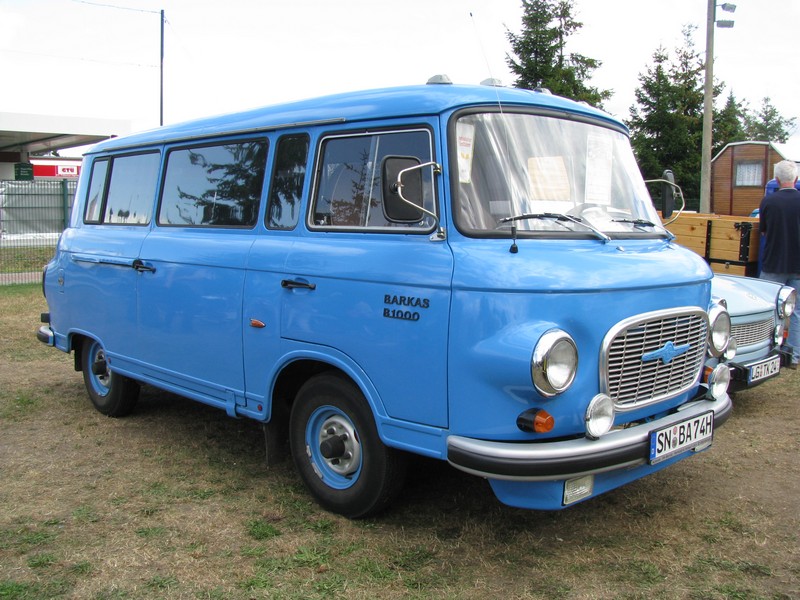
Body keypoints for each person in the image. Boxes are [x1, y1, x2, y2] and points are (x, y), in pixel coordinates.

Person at [758, 159, 800, 368]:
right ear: (796, 178)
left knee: (769, 308)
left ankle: (767, 352)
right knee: (797, 311)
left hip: (774, 263)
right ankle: (794, 355)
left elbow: (763, 231)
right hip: (798, 265)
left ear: (776, 179)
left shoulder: (768, 201)